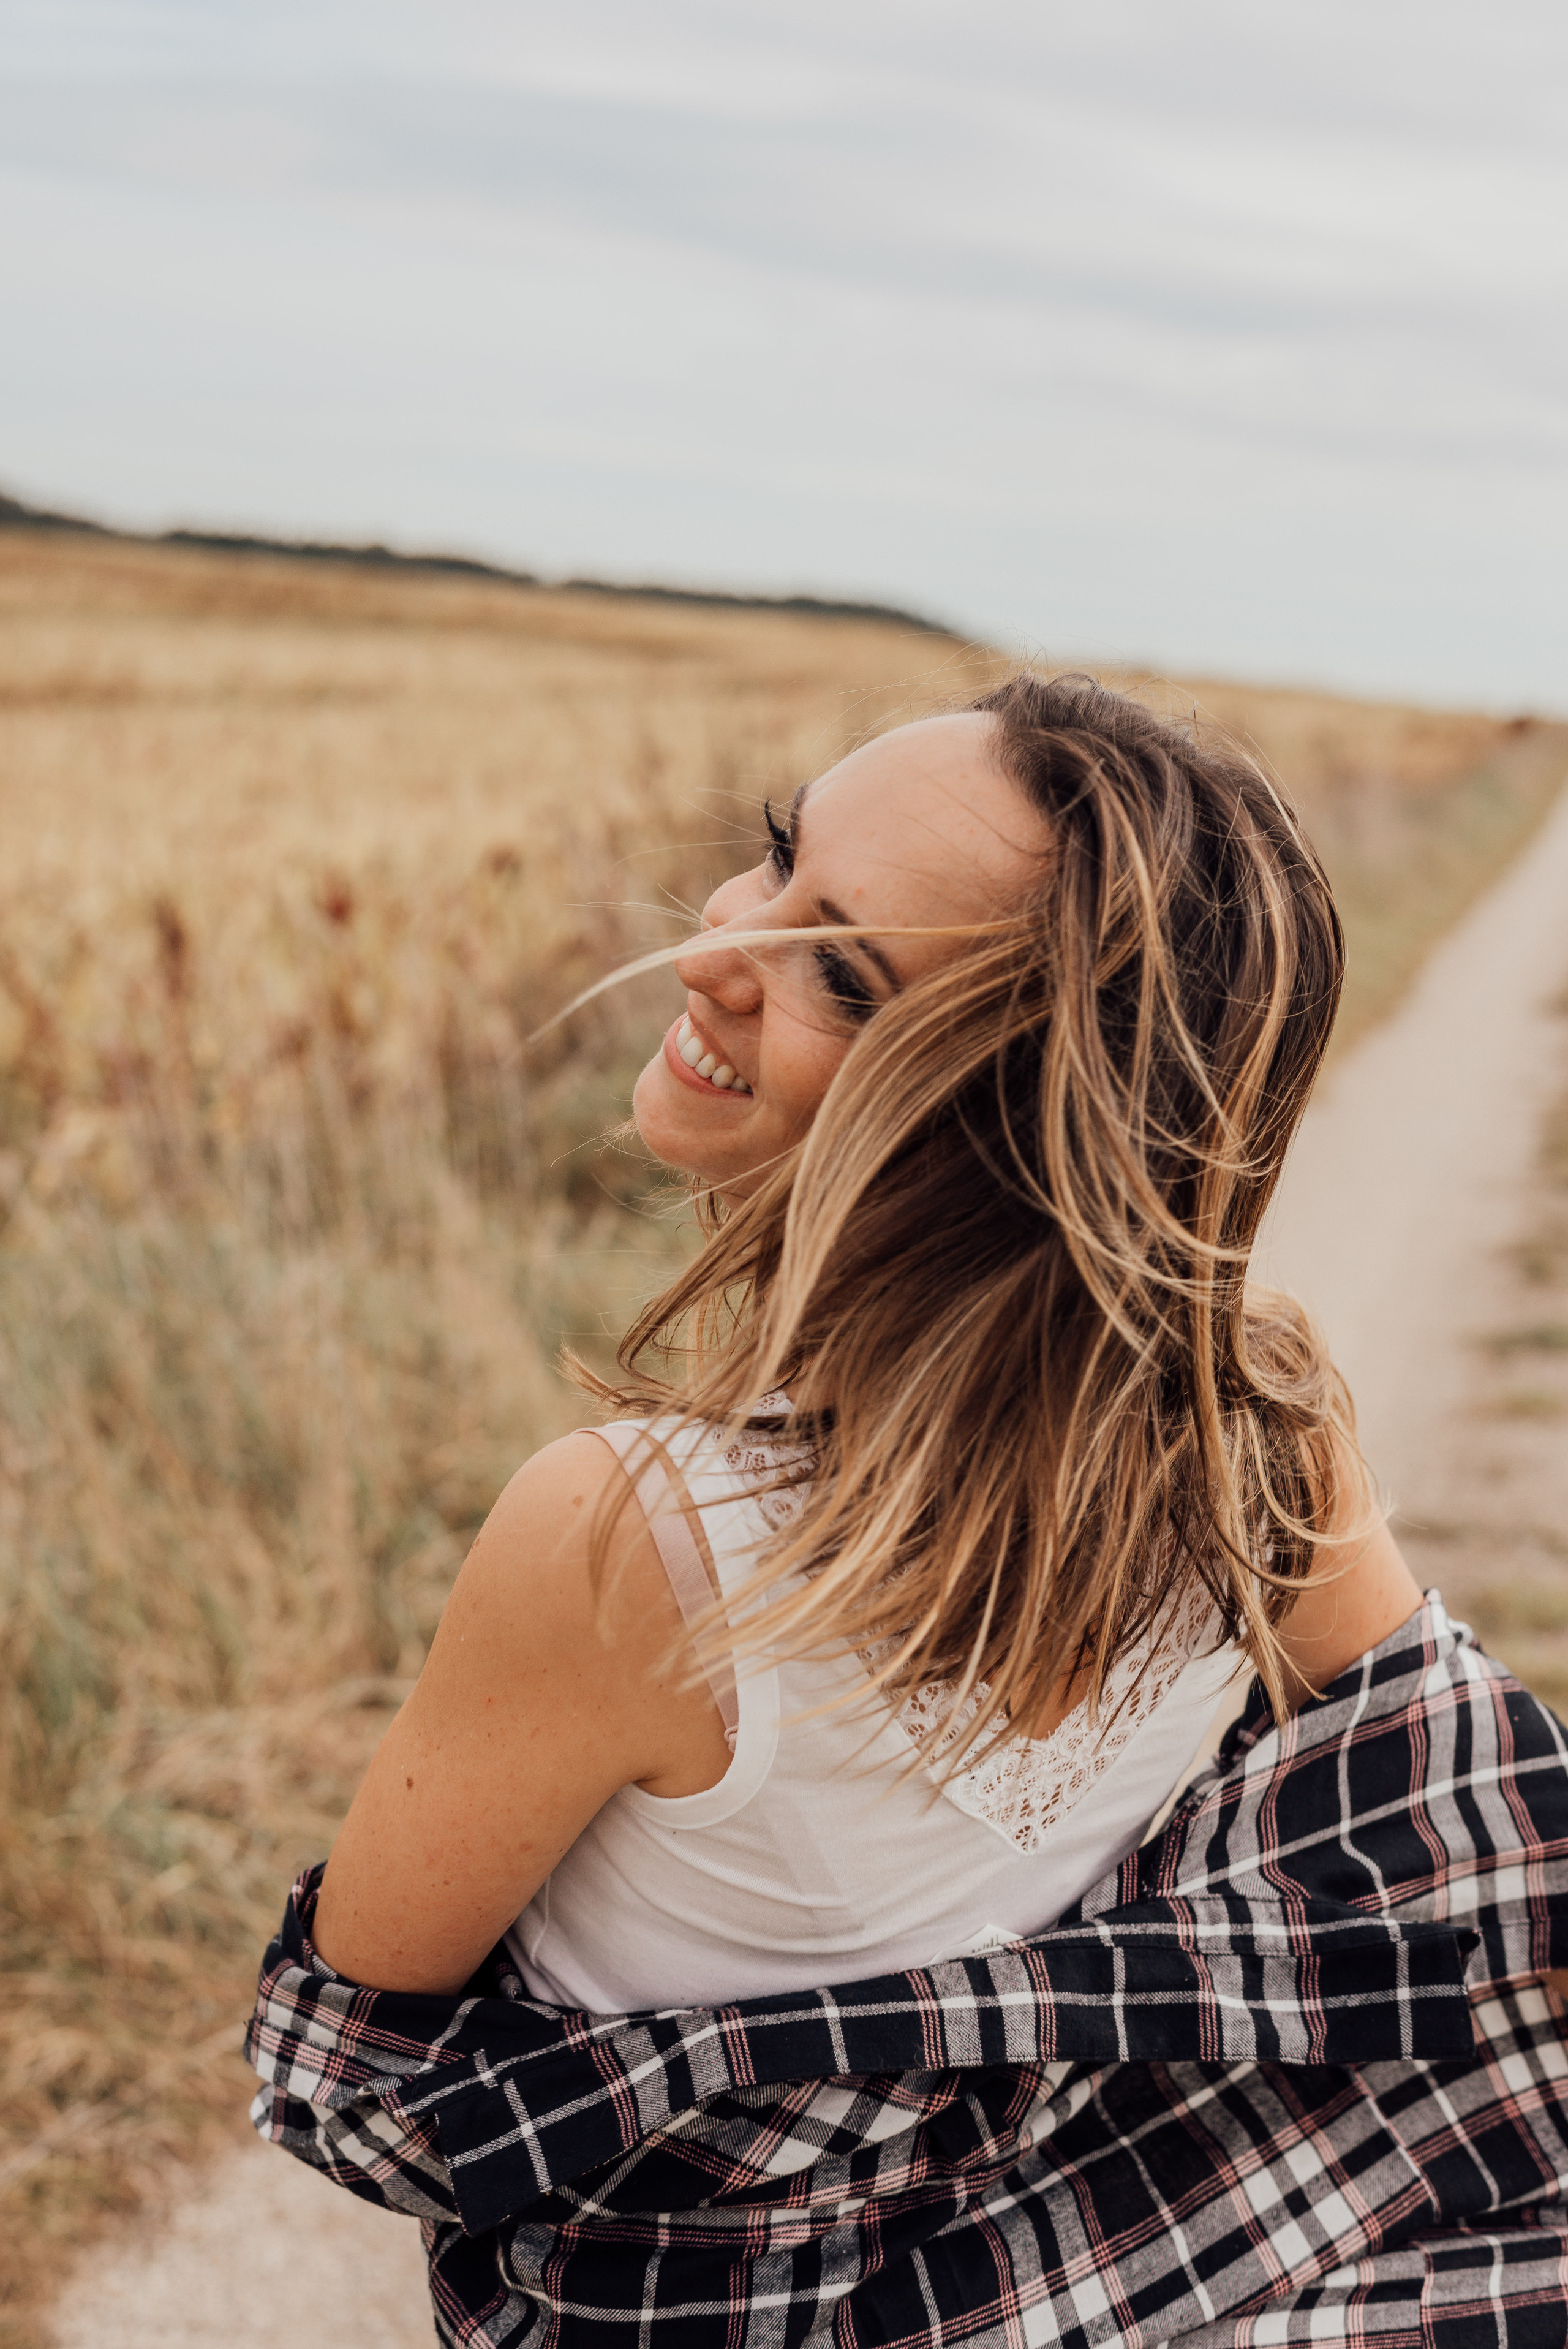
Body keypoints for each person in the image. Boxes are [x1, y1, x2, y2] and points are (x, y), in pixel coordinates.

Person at [248, 675, 1568, 2346]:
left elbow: (356, 2066)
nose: (720, 944)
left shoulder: (637, 1538)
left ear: (1012, 1114)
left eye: (843, 972)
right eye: (777, 852)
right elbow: (1486, 1821)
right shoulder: (1260, 1440)